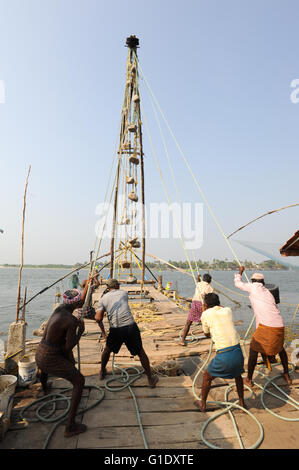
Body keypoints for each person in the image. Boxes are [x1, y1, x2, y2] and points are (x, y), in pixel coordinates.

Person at [35, 278, 91, 438]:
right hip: (50, 358)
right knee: (79, 381)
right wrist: (80, 330)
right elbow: (68, 347)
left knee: (54, 364)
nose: (81, 303)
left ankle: (45, 389)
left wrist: (87, 285)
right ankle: (70, 426)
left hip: (40, 352)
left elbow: (80, 301)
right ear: (75, 304)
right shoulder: (71, 320)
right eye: (79, 301)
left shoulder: (59, 309)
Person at [94, 279, 158, 387]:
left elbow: (98, 318)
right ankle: (150, 379)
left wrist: (97, 318)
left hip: (116, 329)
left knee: (107, 350)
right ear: (117, 285)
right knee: (141, 352)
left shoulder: (103, 299)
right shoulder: (123, 293)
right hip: (130, 327)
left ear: (108, 287)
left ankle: (102, 372)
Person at [234, 266, 291, 386]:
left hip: (267, 327)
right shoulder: (267, 292)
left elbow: (238, 283)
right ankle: (286, 373)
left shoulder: (253, 287)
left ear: (253, 282)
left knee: (254, 351)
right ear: (263, 283)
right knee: (280, 348)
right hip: (279, 326)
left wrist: (240, 272)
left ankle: (249, 379)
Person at [194, 293, 246, 411]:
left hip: (224, 354)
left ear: (206, 305)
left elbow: (206, 334)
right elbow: (220, 308)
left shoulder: (205, 314)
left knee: (207, 376)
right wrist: (210, 305)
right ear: (218, 302)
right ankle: (242, 402)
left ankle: (202, 403)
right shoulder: (227, 310)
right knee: (238, 375)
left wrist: (204, 310)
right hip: (238, 352)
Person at [179, 273, 213, 346]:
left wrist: (198, 277)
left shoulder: (199, 284)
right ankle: (210, 335)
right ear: (210, 281)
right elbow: (210, 299)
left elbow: (198, 281)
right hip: (203, 305)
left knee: (188, 322)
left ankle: (182, 340)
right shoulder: (210, 288)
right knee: (207, 322)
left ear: (203, 279)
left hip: (194, 304)